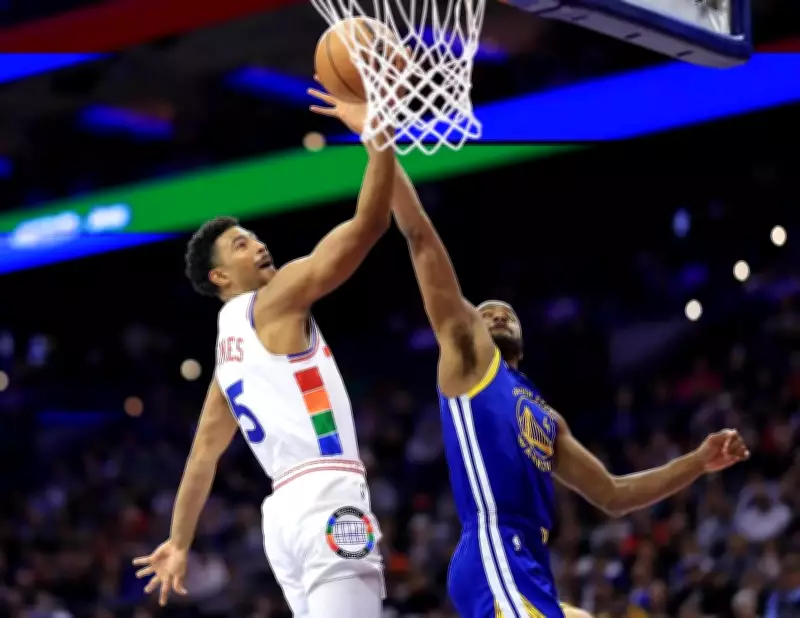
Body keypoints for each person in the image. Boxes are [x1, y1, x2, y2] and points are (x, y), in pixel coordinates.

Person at [308, 84, 751, 618]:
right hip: (493, 547)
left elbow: (614, 494)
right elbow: (419, 236)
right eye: (486, 311)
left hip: (530, 561)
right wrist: (376, 137)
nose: (496, 315)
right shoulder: (470, 358)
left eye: (507, 312)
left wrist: (699, 461)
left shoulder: (544, 415)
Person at [132, 129, 396, 618]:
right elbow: (370, 223)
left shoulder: (225, 355)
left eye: (254, 237)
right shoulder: (273, 302)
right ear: (220, 277)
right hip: (327, 495)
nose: (257, 245)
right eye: (240, 245)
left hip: (281, 518)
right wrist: (379, 138)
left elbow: (202, 455)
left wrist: (179, 540)